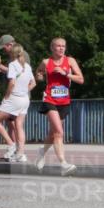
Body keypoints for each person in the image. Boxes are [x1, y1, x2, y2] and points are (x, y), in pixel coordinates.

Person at [34, 37, 82, 176]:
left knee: (53, 133)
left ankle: (42, 152)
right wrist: (40, 76)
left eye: (63, 46)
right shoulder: (46, 62)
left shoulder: (70, 61)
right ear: (52, 48)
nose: (61, 48)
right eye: (58, 46)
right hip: (50, 99)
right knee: (59, 132)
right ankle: (63, 164)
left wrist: (66, 73)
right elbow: (38, 73)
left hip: (64, 101)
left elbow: (81, 79)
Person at [0, 44, 35, 162]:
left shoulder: (12, 65)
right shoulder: (27, 66)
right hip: (25, 99)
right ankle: (21, 154)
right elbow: (33, 83)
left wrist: (6, 96)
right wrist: (24, 91)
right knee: (19, 126)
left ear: (13, 54)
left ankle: (11, 144)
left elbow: (12, 83)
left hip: (14, 98)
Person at [0, 34, 20, 159]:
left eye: (4, 48)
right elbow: (9, 72)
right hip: (14, 94)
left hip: (15, 94)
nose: (4, 50)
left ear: (10, 45)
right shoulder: (11, 57)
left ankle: (14, 147)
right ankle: (16, 151)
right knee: (11, 124)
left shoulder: (21, 55)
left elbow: (20, 73)